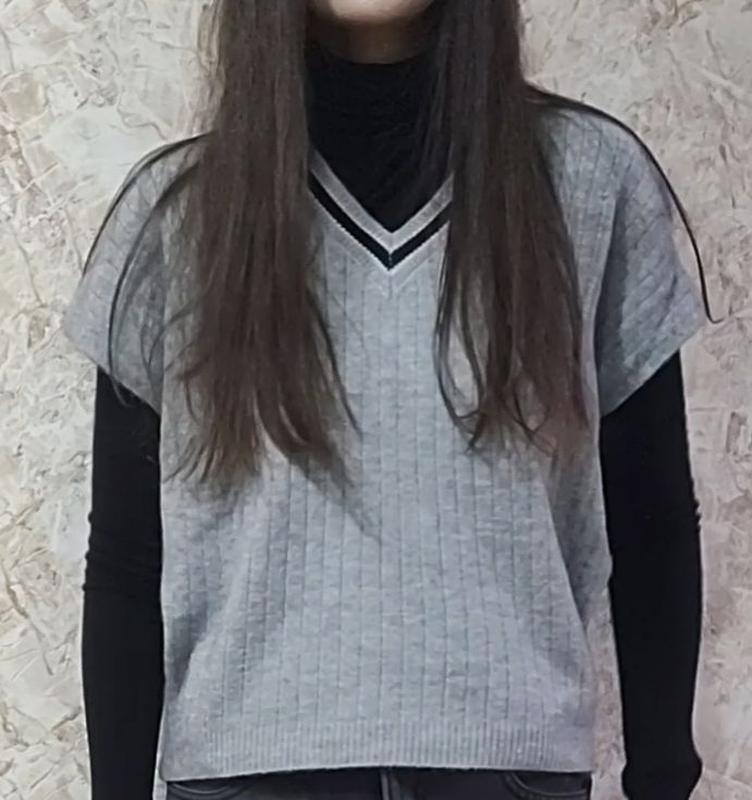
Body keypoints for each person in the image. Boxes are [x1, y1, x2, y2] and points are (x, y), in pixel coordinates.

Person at [61, 1, 710, 799]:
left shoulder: (588, 182)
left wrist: (664, 776)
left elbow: (651, 525)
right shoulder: (177, 214)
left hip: (509, 772)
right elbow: (128, 560)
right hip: (244, 773)